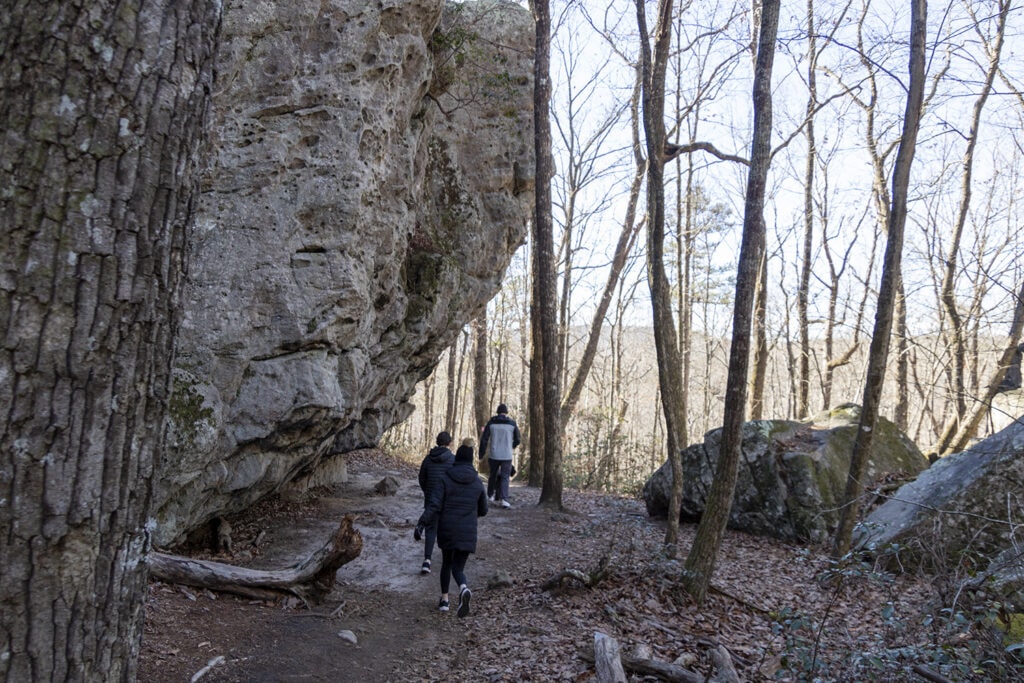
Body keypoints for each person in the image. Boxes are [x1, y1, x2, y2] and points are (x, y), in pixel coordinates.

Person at [415, 437, 487, 616]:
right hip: (467, 532)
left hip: (447, 529)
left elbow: (434, 505)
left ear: (457, 458)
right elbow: (484, 510)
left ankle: (445, 601)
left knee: (447, 563)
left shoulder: (446, 478)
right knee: (458, 568)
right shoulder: (477, 482)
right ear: (470, 460)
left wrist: (421, 523)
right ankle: (463, 588)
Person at [415, 431, 454, 575]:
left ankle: (427, 561)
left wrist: (428, 492)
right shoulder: (452, 459)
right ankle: (448, 561)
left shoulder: (428, 459)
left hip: (431, 500)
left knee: (431, 529)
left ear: (437, 442)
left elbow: (421, 478)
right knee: (447, 529)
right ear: (449, 443)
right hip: (447, 501)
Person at [479, 403, 520, 508]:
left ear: (497, 412)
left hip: (494, 454)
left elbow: (484, 439)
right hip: (507, 455)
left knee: (492, 475)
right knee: (505, 477)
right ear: (506, 412)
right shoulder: (512, 424)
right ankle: (504, 499)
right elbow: (518, 439)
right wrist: (511, 446)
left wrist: (481, 454)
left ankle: (490, 495)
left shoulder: (491, 423)